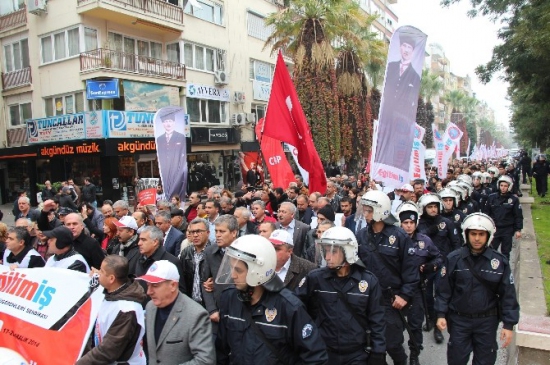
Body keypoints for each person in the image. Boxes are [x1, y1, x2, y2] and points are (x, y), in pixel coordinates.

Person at [215, 234, 329, 364]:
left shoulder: (288, 307)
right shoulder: (229, 299)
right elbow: (221, 351)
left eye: (238, 270)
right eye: (231, 268)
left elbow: (315, 357)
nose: (233, 275)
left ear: (257, 271)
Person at [435, 213, 519, 365]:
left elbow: (508, 295)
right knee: (456, 360)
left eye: (481, 234)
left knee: (485, 361)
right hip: (460, 321)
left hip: (487, 322)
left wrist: (508, 325)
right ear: (466, 234)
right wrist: (441, 314)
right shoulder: (454, 259)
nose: (477, 238)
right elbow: (443, 290)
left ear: (489, 235)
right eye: (473, 234)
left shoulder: (499, 262)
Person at [296, 226, 387, 364]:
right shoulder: (315, 278)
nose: (327, 257)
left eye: (333, 251)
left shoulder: (368, 282)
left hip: (357, 354)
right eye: (325, 251)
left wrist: (378, 350)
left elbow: (377, 319)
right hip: (324, 352)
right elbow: (296, 307)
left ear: (348, 251)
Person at [357, 190, 420, 365]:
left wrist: (405, 295)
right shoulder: (361, 235)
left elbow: (411, 269)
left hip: (390, 300)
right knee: (373, 346)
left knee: (392, 343)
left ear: (380, 211)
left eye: (369, 210)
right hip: (367, 299)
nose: (366, 214)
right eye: (365, 210)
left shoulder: (399, 236)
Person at [138, 260, 215, 365]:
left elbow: (205, 360)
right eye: (148, 285)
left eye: (155, 286)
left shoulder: (196, 315)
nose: (149, 292)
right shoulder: (150, 307)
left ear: (173, 285)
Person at [77, 255, 146, 365]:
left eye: (102, 271)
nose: (99, 273)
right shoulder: (110, 292)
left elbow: (108, 350)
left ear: (111, 279)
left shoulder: (127, 310)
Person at [396, 201, 442, 365]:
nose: (408, 226)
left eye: (411, 223)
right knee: (396, 326)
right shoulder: (393, 240)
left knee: (415, 325)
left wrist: (430, 267)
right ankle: (398, 353)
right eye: (405, 223)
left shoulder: (425, 241)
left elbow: (438, 258)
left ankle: (414, 354)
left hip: (417, 290)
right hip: (397, 290)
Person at [416, 193, 460, 343]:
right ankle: (430, 318)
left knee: (440, 295)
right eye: (430, 207)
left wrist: (454, 263)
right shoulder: (420, 223)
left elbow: (456, 244)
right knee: (427, 295)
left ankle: (438, 327)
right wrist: (432, 229)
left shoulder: (446, 222)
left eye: (435, 206)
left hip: (443, 265)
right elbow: (418, 238)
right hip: (426, 266)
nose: (433, 210)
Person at [376, 30, 422, 171]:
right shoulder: (391, 67)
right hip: (386, 116)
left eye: (410, 47)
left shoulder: (415, 75)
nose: (406, 50)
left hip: (402, 120)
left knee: (398, 149)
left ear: (413, 51)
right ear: (400, 47)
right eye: (404, 46)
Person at [200, 214, 239, 336]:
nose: (217, 235)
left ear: (234, 233)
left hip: (240, 312)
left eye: (222, 231)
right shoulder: (210, 252)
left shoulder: (246, 251)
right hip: (218, 315)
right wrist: (212, 310)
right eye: (216, 231)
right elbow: (204, 282)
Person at [135, 226, 186, 295]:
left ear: (155, 242)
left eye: (143, 240)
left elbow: (180, 291)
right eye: (139, 239)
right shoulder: (140, 259)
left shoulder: (172, 262)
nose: (139, 243)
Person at [483, 175, 523, 260]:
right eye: (501, 185)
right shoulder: (492, 197)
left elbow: (518, 216)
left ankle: (505, 270)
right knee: (491, 250)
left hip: (507, 229)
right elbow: (486, 213)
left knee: (506, 252)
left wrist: (518, 230)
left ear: (509, 186)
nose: (503, 188)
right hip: (494, 229)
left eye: (505, 186)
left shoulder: (514, 199)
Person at [155, 111, 187, 199]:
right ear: (162, 123)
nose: (168, 123)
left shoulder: (180, 136)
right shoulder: (159, 138)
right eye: (165, 121)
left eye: (170, 121)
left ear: (174, 122)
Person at [180, 218, 210, 306]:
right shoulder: (185, 253)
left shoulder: (214, 252)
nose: (195, 235)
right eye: (192, 232)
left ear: (208, 233)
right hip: (190, 303)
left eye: (199, 231)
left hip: (208, 304)